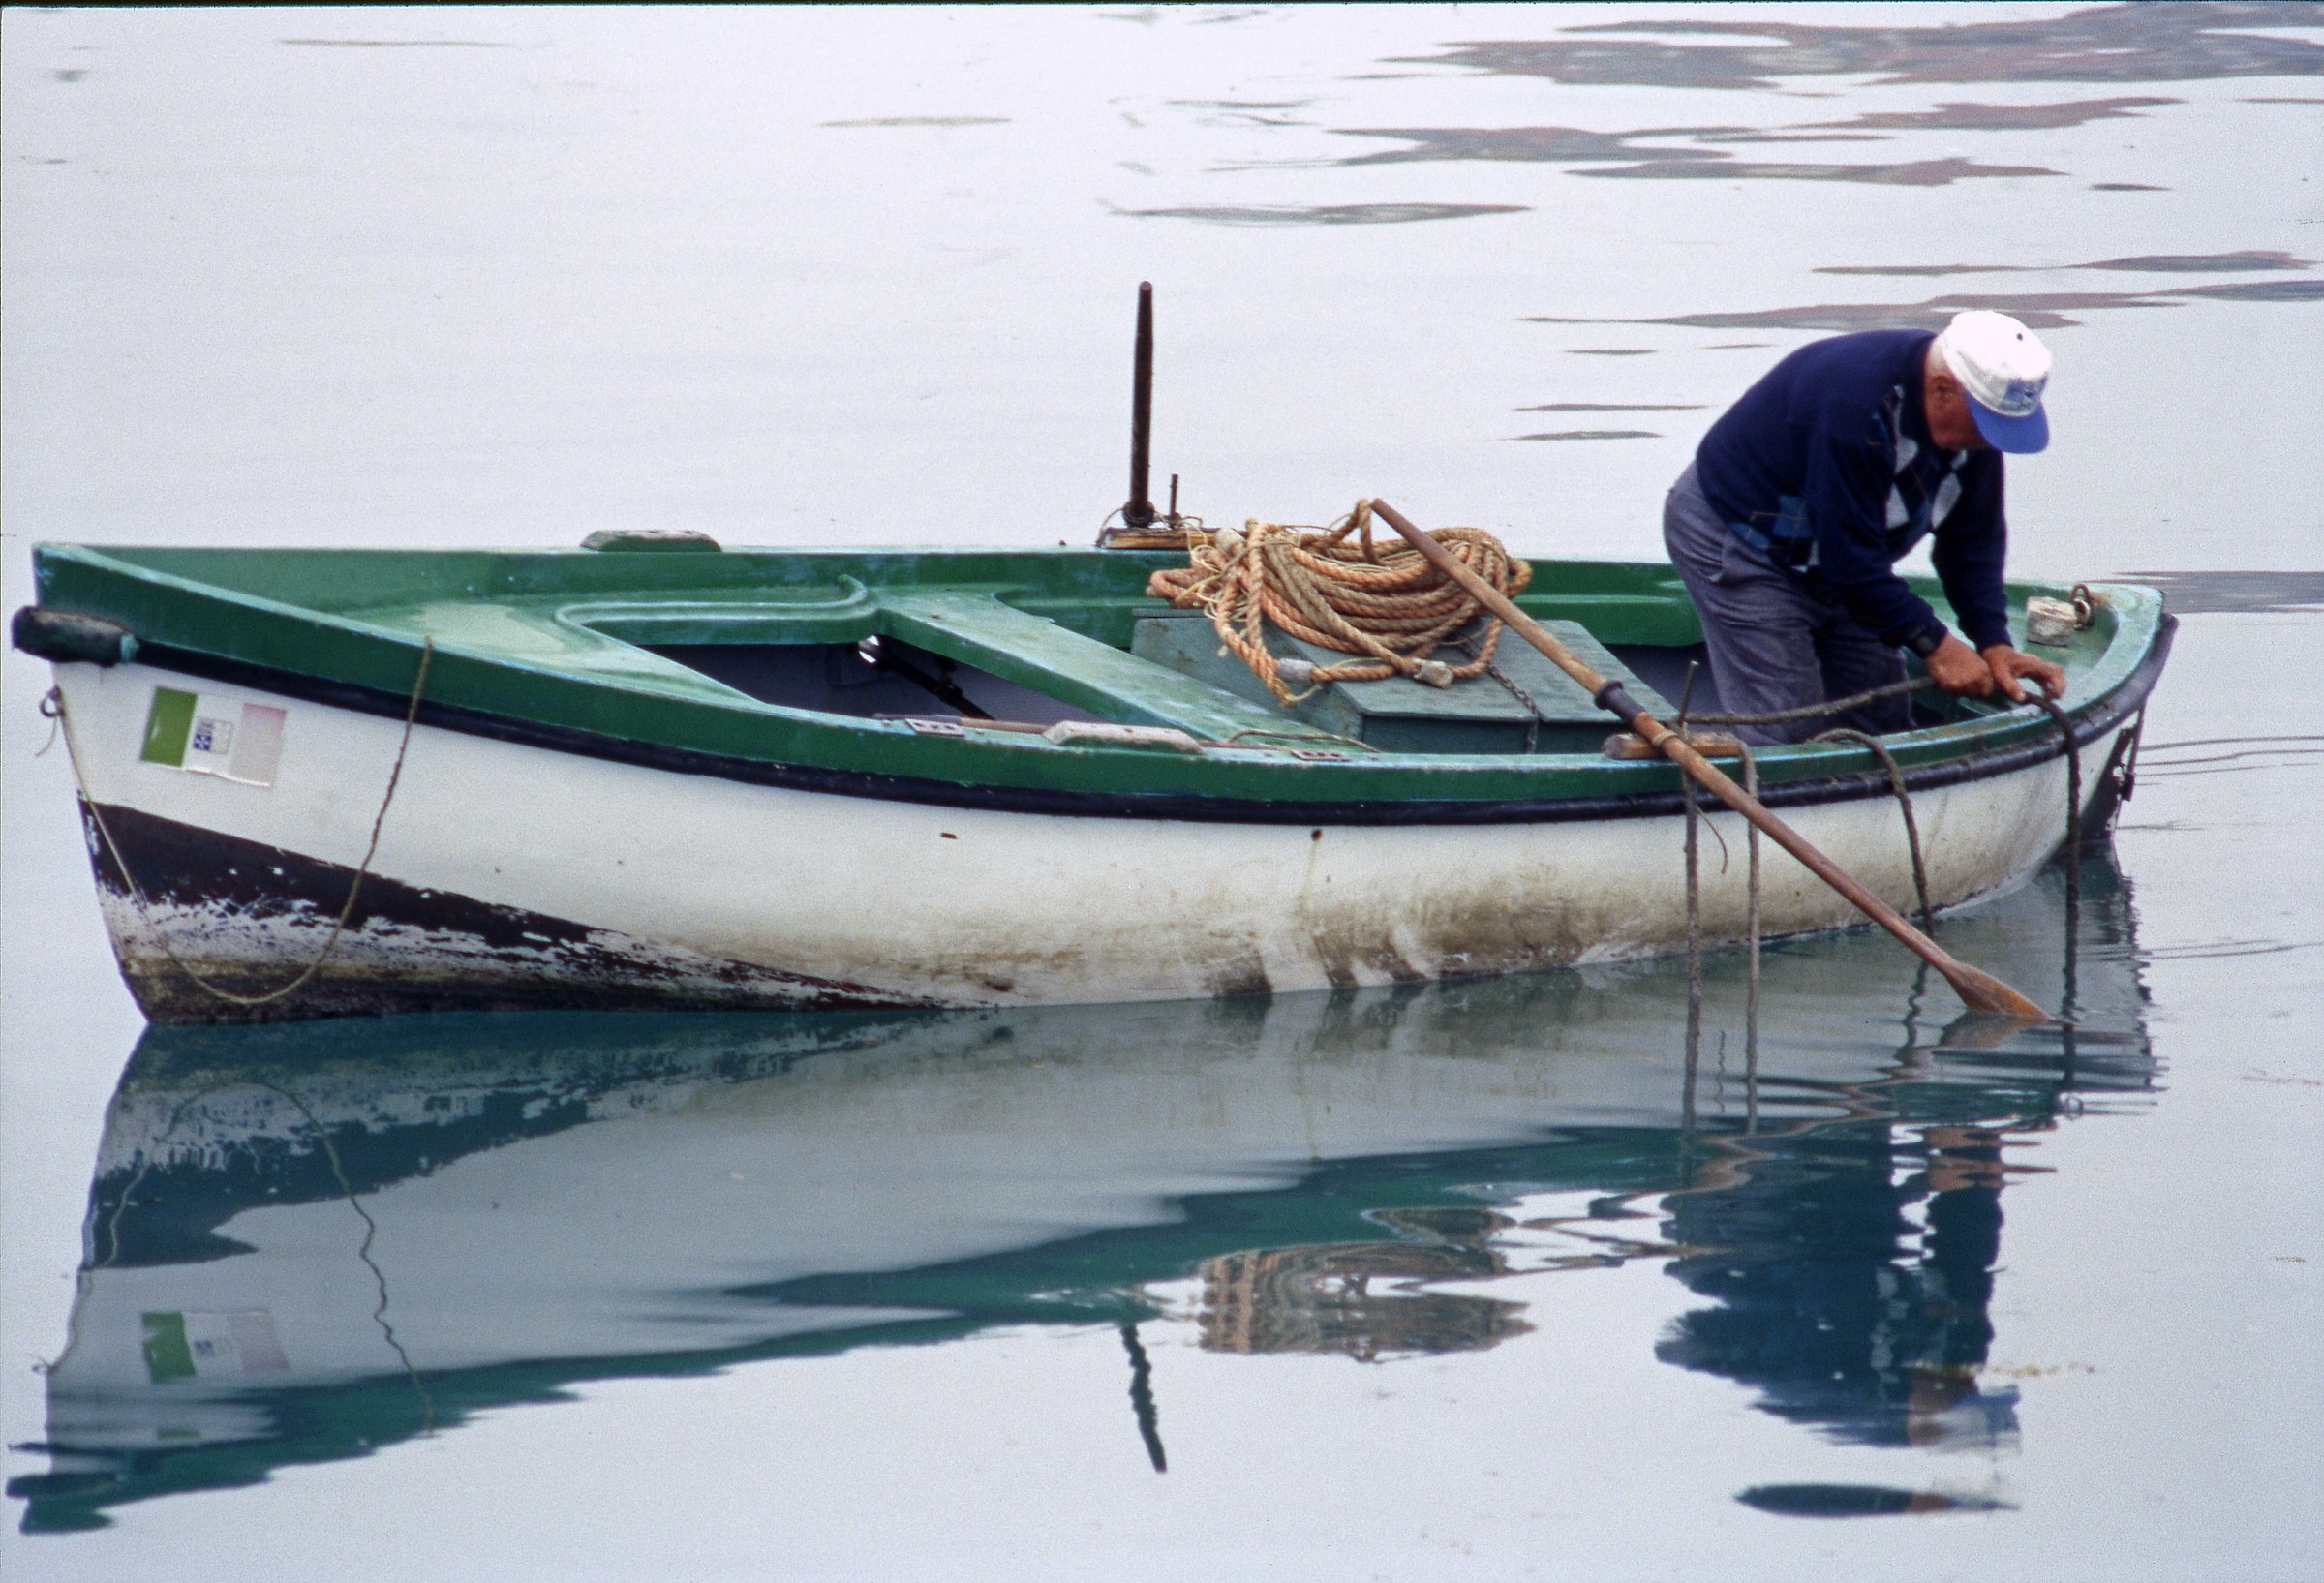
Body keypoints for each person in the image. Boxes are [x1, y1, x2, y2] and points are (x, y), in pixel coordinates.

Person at [1663, 310, 2067, 745]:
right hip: (1743, 535)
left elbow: (1971, 542)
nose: (1992, 443)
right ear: (1943, 390)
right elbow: (1850, 566)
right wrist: (1938, 644)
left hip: (1841, 552)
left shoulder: (1975, 424)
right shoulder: (1853, 408)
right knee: (1787, 730)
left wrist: (1992, 640)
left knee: (1882, 716)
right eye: (1989, 427)